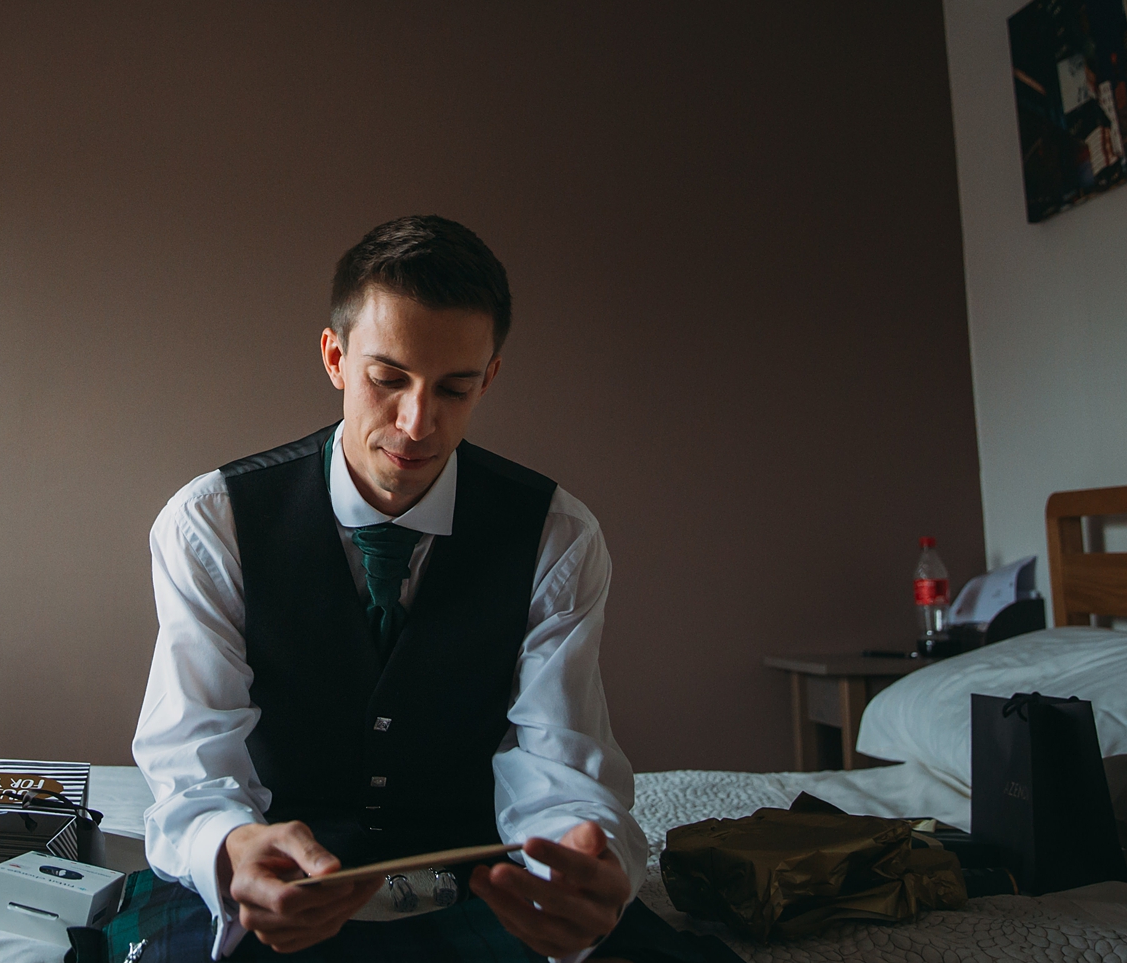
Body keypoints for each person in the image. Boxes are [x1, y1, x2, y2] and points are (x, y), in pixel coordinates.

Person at [120, 216, 699, 962]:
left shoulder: (558, 535)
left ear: (489, 377)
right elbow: (192, 756)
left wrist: (583, 862)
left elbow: (558, 760)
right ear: (334, 357)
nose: (417, 422)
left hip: (479, 880)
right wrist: (231, 848)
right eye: (387, 378)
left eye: (454, 387)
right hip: (282, 881)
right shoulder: (211, 521)